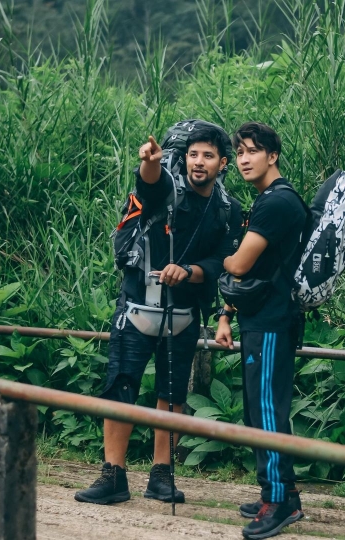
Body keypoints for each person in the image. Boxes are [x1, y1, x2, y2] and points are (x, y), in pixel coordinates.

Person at [75, 125, 242, 505]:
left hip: (183, 313)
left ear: (223, 164)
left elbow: (222, 262)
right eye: (194, 155)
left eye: (209, 156)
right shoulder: (169, 188)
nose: (199, 163)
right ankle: (112, 475)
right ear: (184, 158)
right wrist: (149, 163)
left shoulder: (227, 209)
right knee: (121, 387)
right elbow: (150, 184)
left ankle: (162, 474)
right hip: (137, 306)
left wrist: (191, 272)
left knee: (172, 395)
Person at [215, 122, 310, 539]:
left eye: (252, 151)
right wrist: (227, 311)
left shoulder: (277, 203)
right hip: (264, 319)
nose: (244, 160)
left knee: (268, 411)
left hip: (272, 322)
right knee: (259, 410)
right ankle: (282, 491)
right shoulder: (270, 199)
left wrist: (223, 258)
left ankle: (278, 501)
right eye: (239, 153)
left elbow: (238, 266)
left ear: (273, 155)